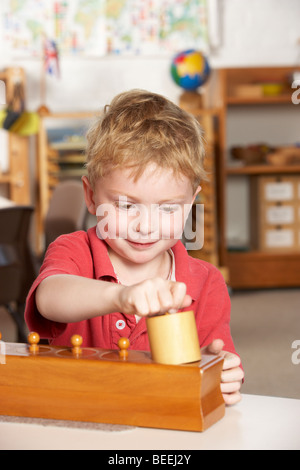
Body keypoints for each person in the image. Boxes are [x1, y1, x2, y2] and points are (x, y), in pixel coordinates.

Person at [25, 90, 244, 405]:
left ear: (191, 203)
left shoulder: (207, 282)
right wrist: (120, 297)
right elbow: (49, 297)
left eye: (168, 209)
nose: (146, 226)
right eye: (126, 206)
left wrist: (223, 375)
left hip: (161, 423)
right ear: (91, 196)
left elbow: (217, 359)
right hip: (77, 414)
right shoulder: (73, 250)